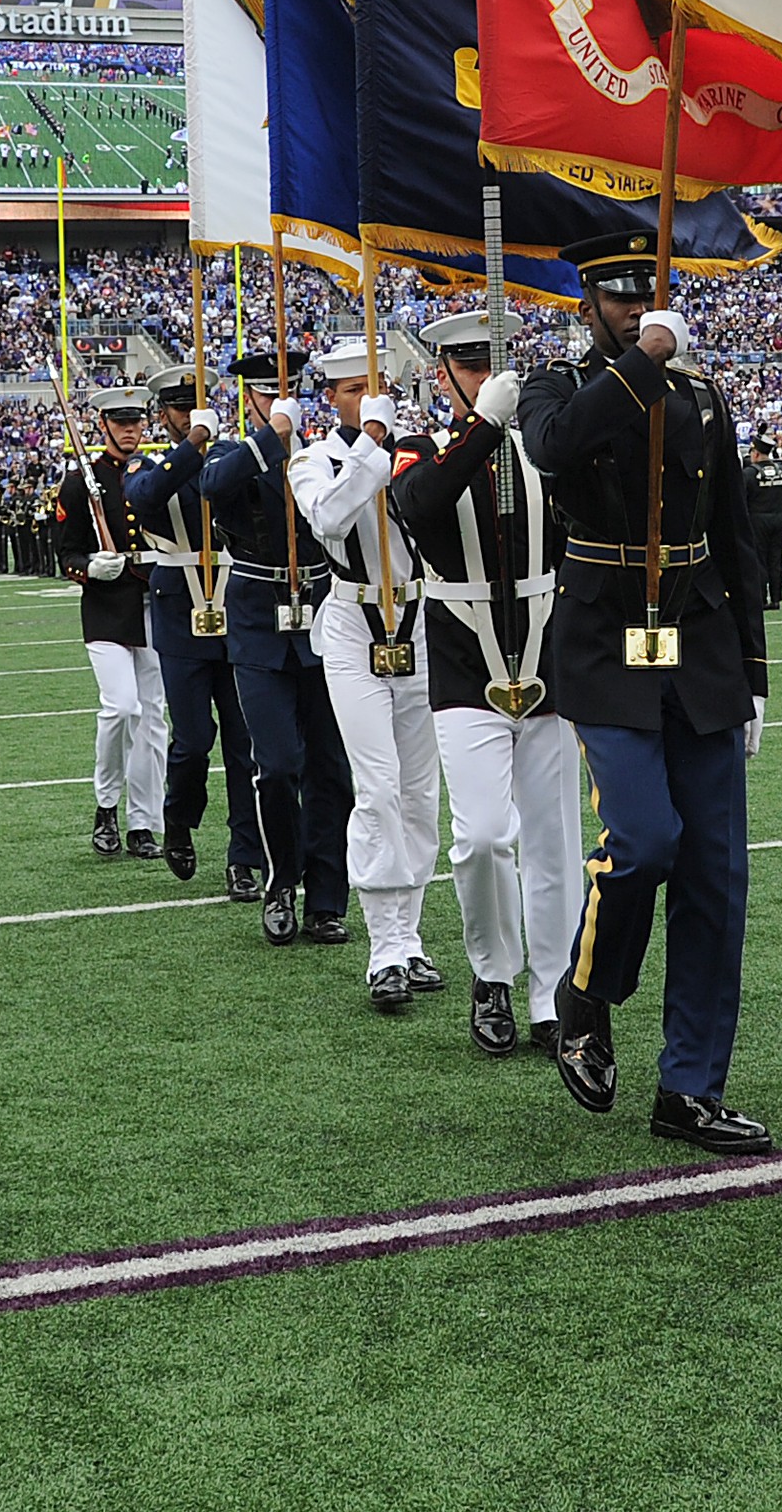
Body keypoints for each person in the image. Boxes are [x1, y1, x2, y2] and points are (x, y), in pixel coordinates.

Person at [520, 228, 774, 1158]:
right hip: (602, 638)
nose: (635, 311)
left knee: (716, 876)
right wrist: (643, 368)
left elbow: (736, 533)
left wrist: (753, 672)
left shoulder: (704, 396)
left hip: (699, 641)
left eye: (646, 296)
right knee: (644, 841)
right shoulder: (559, 383)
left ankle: (691, 1089)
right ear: (590, 303)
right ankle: (585, 994)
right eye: (620, 298)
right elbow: (555, 447)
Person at [394, 306, 582, 1058]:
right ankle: (492, 974)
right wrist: (482, 429)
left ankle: (552, 991)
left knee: (554, 840)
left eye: (491, 366)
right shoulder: (423, 449)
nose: (483, 378)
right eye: (469, 367)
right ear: (444, 375)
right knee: (478, 838)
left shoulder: (544, 448)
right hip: (466, 665)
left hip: (548, 654)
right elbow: (418, 506)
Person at [291, 339, 446, 1013]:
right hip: (354, 627)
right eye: (356, 390)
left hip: (422, 623)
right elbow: (329, 517)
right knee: (378, 786)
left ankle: (409, 938)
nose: (369, 399)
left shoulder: (423, 446)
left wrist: (404, 447)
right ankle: (384, 949)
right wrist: (373, 441)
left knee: (419, 793)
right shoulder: (313, 459)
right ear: (333, 396)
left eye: (378, 388)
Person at [202, 347, 354, 948]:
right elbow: (214, 485)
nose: (274, 401)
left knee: (330, 769)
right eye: (264, 395)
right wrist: (272, 436)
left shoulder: (323, 455)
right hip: (258, 621)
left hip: (323, 613)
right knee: (278, 763)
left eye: (282, 394)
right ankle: (279, 881)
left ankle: (327, 899)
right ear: (252, 400)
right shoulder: (234, 451)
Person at [126, 371, 263, 894]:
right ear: (165, 415)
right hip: (180, 606)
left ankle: (244, 856)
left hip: (236, 599)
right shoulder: (154, 462)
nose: (187, 414)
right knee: (192, 738)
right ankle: (179, 817)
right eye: (179, 408)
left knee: (242, 741)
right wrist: (192, 444)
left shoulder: (230, 456)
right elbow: (144, 495)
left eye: (196, 407)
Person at [52, 387, 171, 862]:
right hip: (106, 609)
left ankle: (144, 821)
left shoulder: (157, 476)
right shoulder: (81, 481)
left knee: (153, 719)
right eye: (120, 422)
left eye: (136, 421)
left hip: (155, 604)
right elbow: (65, 552)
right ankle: (106, 806)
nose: (129, 430)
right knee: (121, 708)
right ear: (103, 425)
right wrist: (88, 568)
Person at [745, 444, 782, 610]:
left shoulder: (750, 474)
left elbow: (742, 501)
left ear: (756, 453)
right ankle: (776, 597)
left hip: (757, 519)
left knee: (759, 560)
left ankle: (761, 598)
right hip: (777, 518)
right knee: (775, 559)